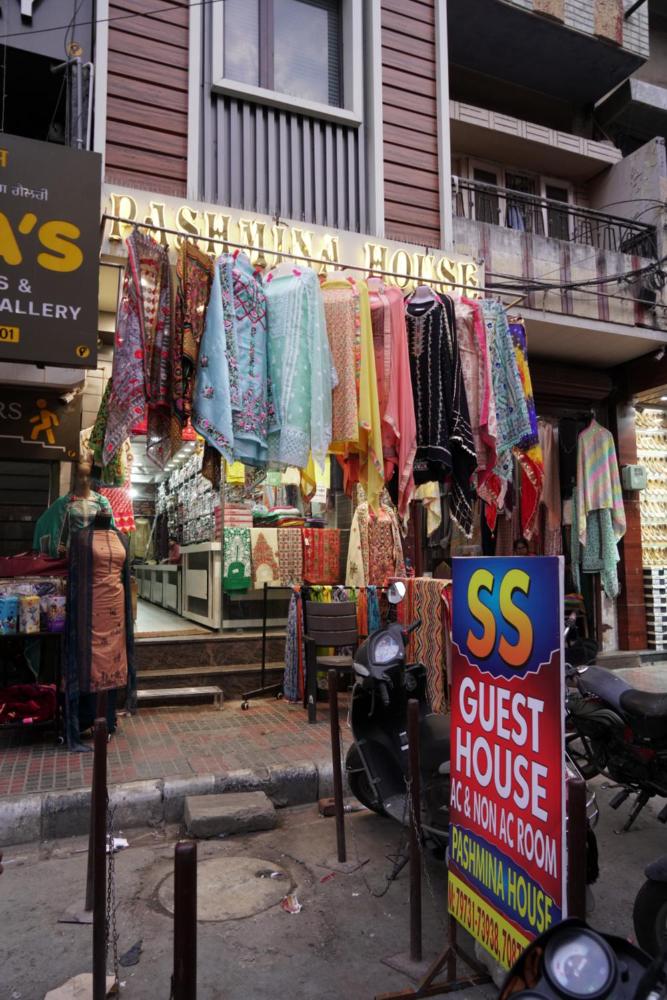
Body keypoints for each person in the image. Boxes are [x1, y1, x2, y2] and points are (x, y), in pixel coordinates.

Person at [32, 461, 114, 558]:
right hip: (72, 555)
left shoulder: (101, 502)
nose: (84, 480)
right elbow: (42, 524)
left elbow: (111, 530)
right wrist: (42, 548)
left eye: (88, 476)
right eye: (81, 476)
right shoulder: (64, 502)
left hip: (95, 555)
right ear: (75, 477)